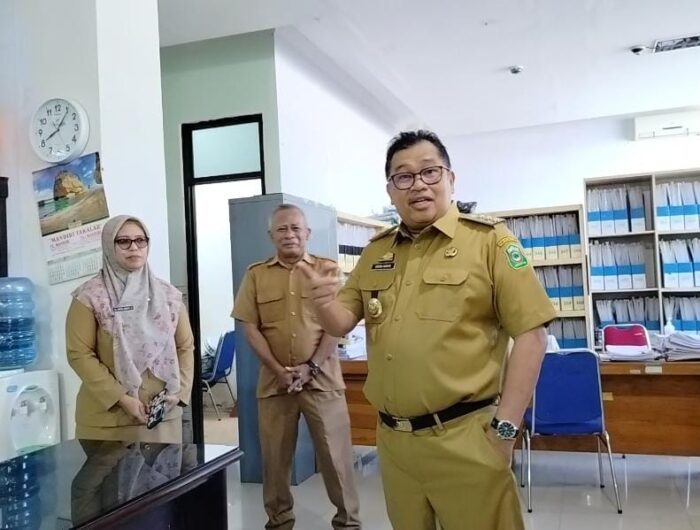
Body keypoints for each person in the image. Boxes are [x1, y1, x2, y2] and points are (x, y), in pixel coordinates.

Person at [298, 130, 557, 530]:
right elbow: (342, 321)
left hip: (465, 438)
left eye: (429, 172)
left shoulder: (490, 242)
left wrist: (505, 431)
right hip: (395, 443)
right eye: (403, 176)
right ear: (391, 191)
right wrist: (320, 301)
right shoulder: (377, 250)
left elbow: (532, 335)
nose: (418, 184)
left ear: (450, 178)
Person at [232, 204, 361, 530]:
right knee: (274, 462)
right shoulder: (256, 275)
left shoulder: (327, 270)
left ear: (307, 233)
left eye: (295, 228)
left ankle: (348, 523)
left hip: (323, 380)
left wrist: (311, 366)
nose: (289, 234)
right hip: (275, 383)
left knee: (336, 460)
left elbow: (337, 325)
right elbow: (249, 327)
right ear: (271, 235)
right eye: (282, 229)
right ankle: (279, 523)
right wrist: (277, 369)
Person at [66, 215, 194, 443]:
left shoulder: (168, 295)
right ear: (109, 245)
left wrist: (179, 392)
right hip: (108, 422)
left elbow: (185, 346)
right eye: (123, 241)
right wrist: (122, 398)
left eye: (140, 240)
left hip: (162, 418)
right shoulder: (89, 297)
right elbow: (79, 354)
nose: (134, 247)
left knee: (166, 468)